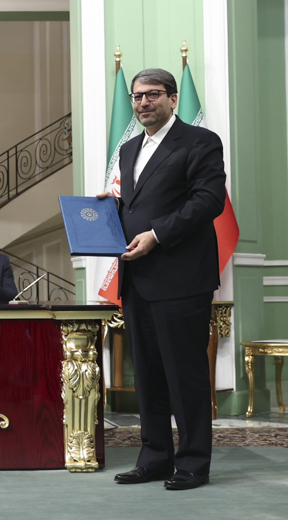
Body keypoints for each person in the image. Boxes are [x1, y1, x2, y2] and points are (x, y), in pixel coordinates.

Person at [100, 68, 226, 491]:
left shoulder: (200, 141)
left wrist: (156, 235)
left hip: (181, 277)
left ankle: (192, 464)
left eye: (152, 95)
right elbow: (139, 205)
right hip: (138, 278)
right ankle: (154, 458)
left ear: (173, 99)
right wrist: (111, 208)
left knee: (184, 374)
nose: (142, 103)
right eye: (136, 97)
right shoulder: (130, 148)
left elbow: (207, 202)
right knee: (149, 375)